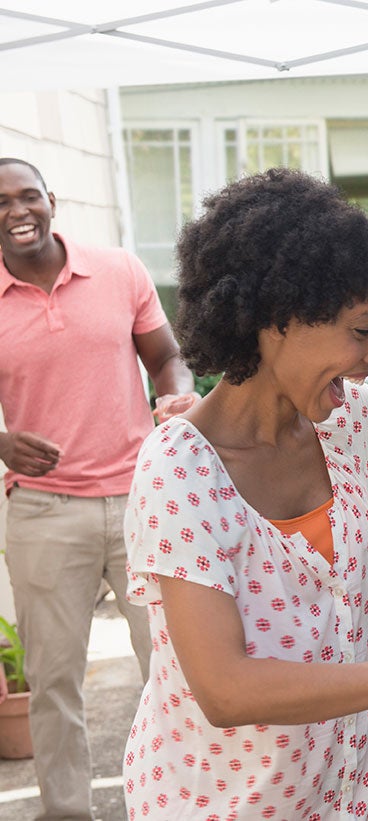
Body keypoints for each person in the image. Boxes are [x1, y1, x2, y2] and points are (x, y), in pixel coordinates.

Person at [121, 168, 368, 819]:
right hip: (220, 804)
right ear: (278, 317)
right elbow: (226, 688)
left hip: (349, 796)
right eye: (362, 331)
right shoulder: (182, 469)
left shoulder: (345, 422)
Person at [0, 157, 199, 821]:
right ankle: (66, 812)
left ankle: (188, 802)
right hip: (44, 510)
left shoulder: (118, 270)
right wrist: (2, 442)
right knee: (54, 683)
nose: (17, 211)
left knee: (179, 667)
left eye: (28, 196)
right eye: (1, 202)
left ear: (51, 199)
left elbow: (165, 357)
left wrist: (175, 396)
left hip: (146, 501)